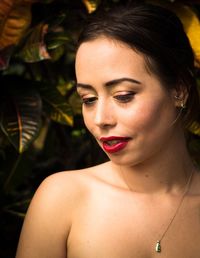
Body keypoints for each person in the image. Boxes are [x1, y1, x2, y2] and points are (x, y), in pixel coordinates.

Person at [16, 2, 200, 258]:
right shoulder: (62, 199)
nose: (100, 119)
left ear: (179, 89)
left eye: (123, 95)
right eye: (88, 99)